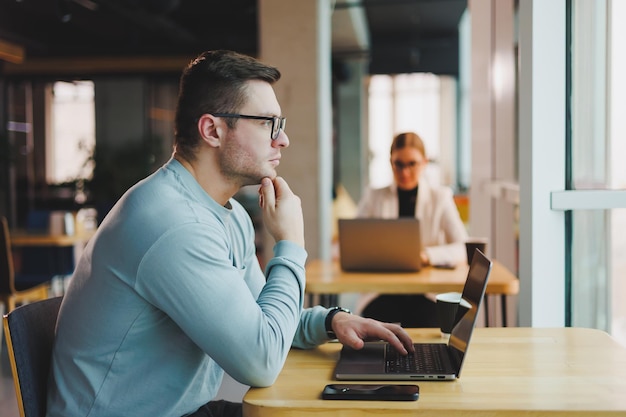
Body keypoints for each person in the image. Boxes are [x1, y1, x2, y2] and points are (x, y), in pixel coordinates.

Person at [45, 50, 414, 417]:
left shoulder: (228, 213)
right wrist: (291, 243)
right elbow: (261, 360)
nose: (282, 139)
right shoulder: (175, 225)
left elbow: (261, 317)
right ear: (212, 130)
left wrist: (332, 320)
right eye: (267, 123)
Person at [355, 132, 468, 328]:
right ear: (391, 162)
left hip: (425, 293)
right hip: (382, 292)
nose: (404, 172)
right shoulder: (374, 196)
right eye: (398, 164)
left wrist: (426, 256)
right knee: (373, 332)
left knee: (428, 325)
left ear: (424, 163)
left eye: (412, 164)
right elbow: (354, 239)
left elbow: (463, 248)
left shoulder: (440, 197)